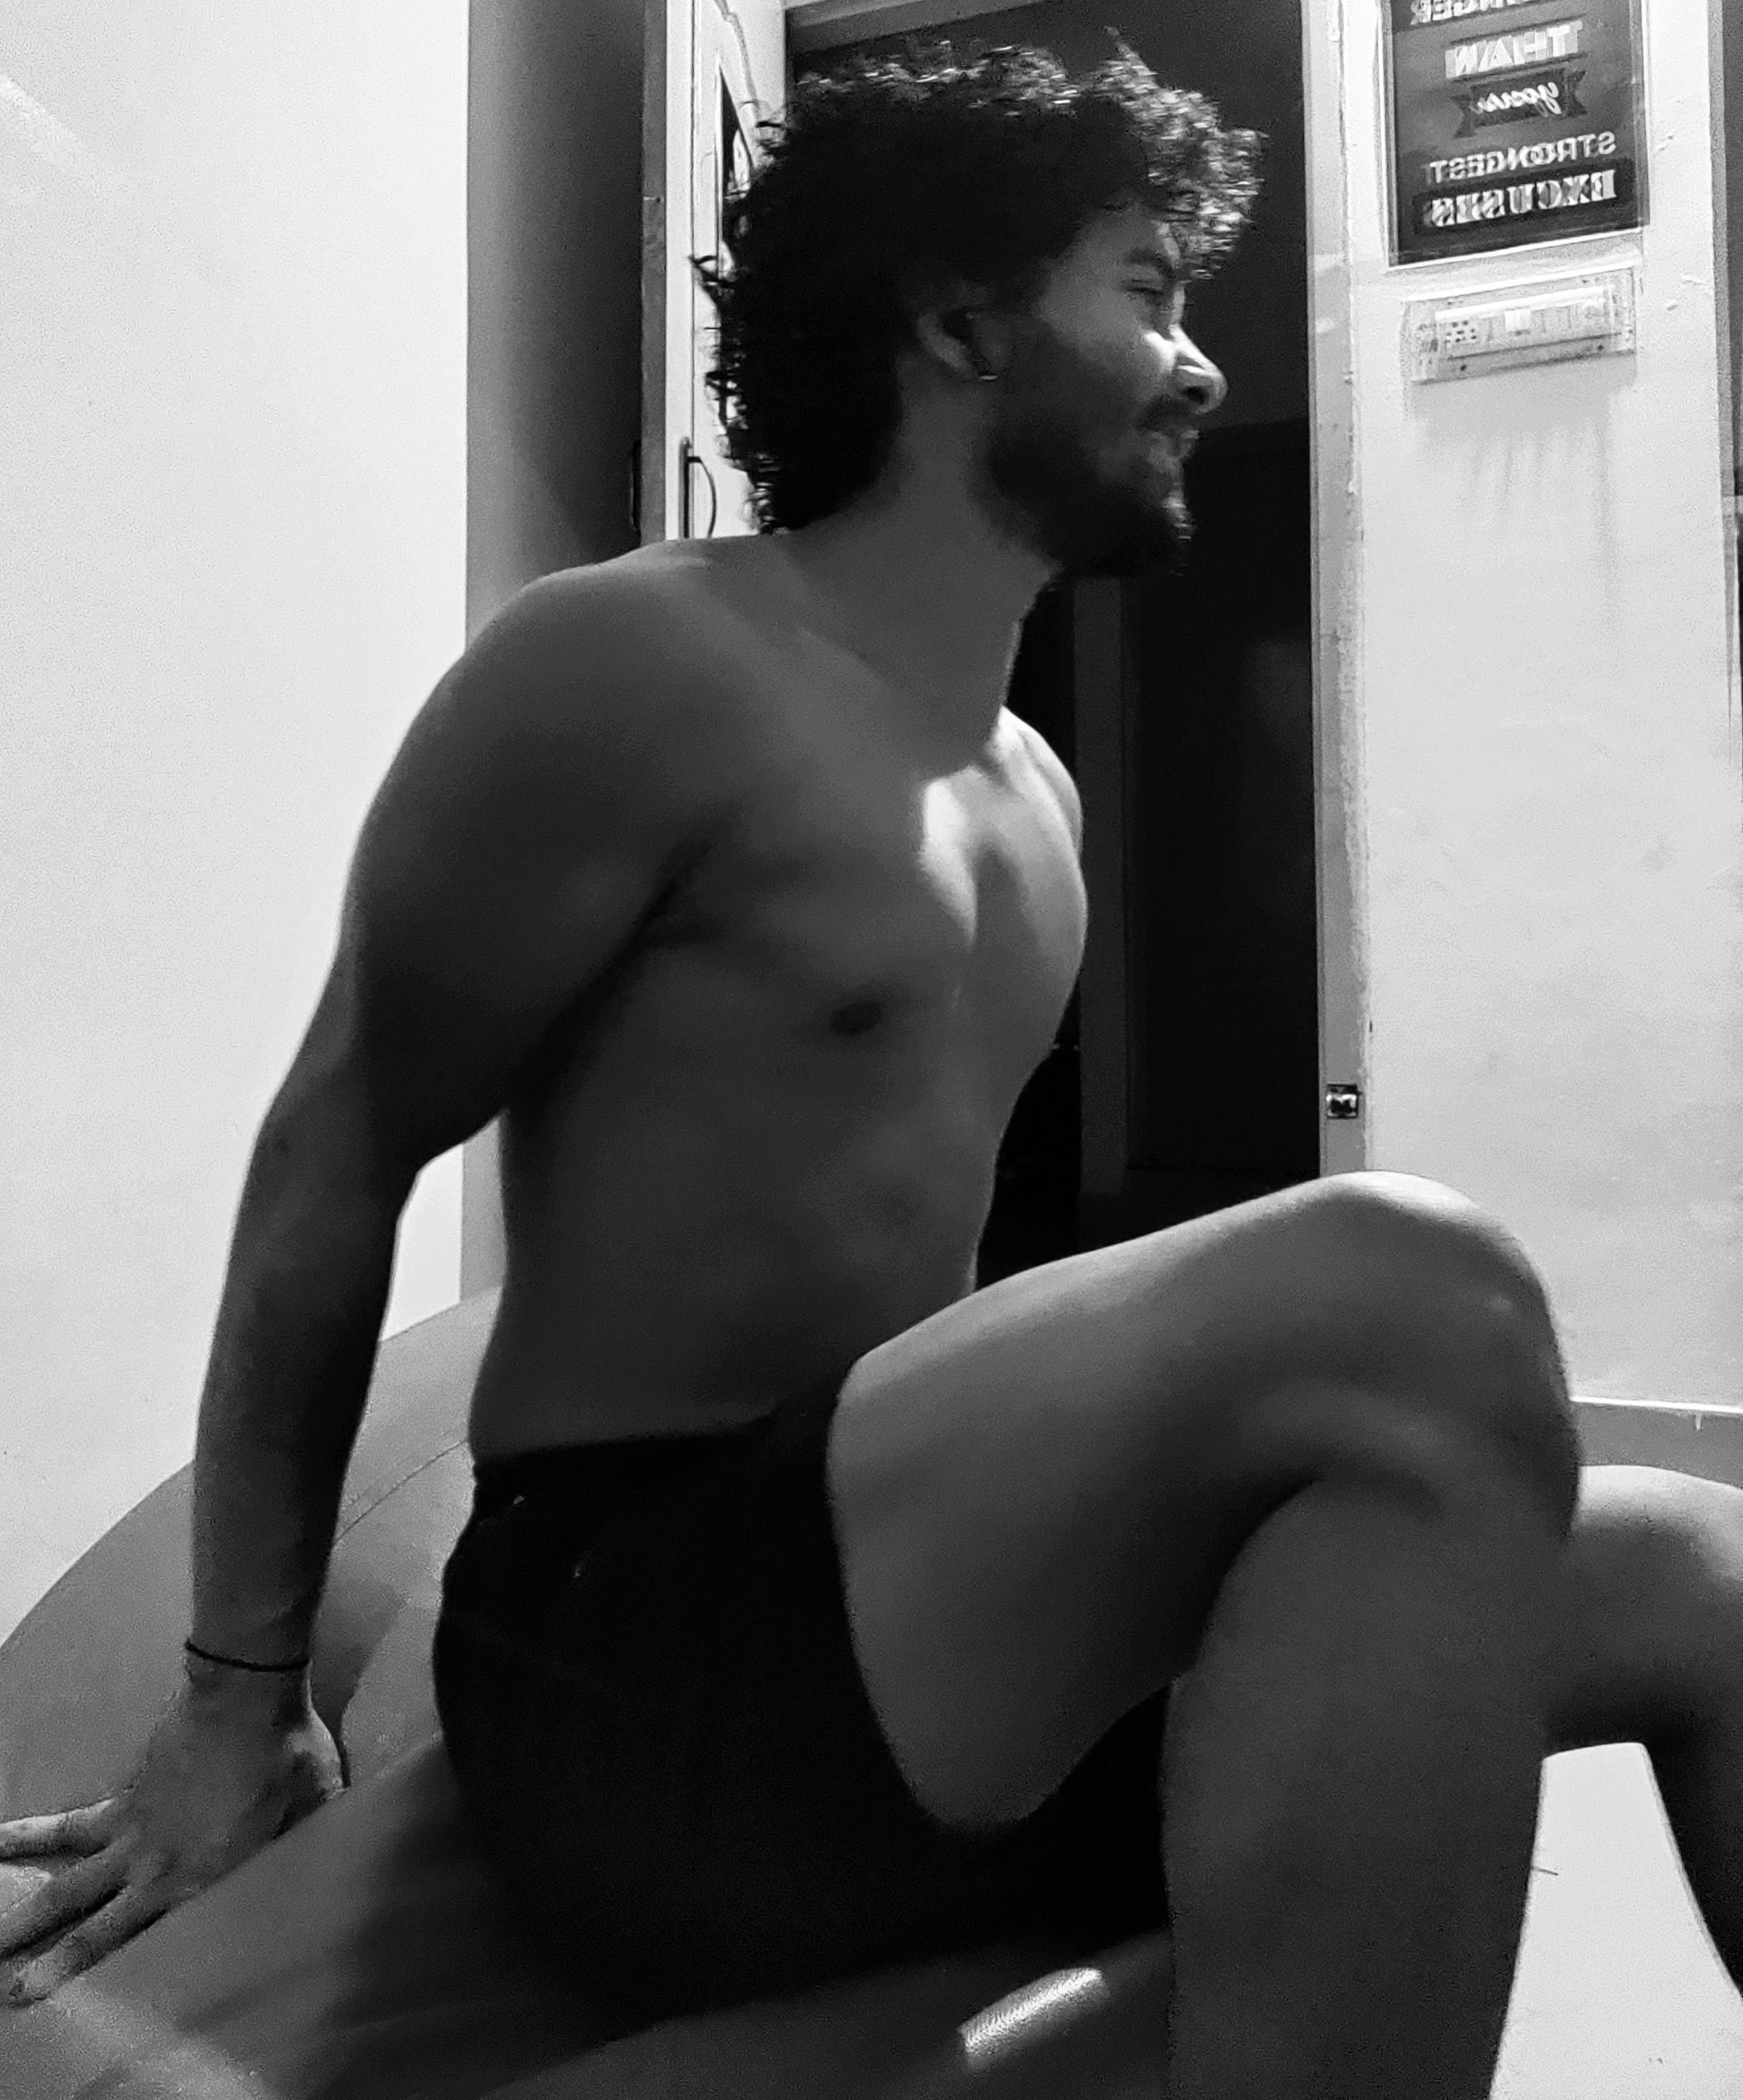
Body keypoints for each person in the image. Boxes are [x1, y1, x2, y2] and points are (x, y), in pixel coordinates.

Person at [3, 40, 1742, 2099]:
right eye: (1151, 288)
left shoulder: (1035, 800)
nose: (1201, 365)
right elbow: (336, 1148)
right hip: (638, 1660)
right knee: (1414, 1287)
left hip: (908, 1654)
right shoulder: (637, 665)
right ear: (960, 326)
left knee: (1699, 1574)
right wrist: (236, 1701)